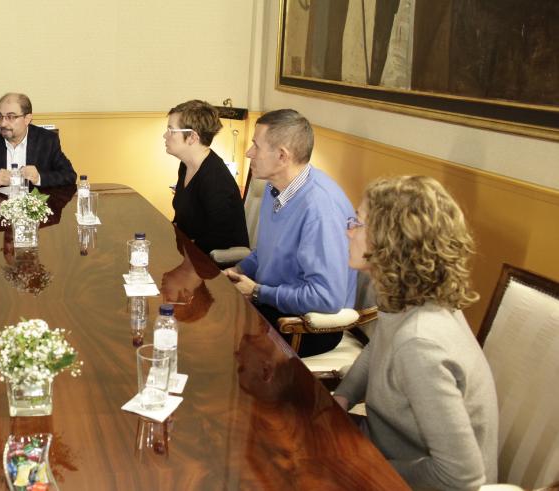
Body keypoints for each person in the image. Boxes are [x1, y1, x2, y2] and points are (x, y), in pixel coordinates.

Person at [333, 175, 498, 490]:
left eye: (359, 224)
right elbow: (378, 346)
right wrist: (343, 396)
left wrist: (365, 467)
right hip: (386, 448)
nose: (348, 231)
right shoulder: (409, 297)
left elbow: (461, 477)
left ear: (392, 242)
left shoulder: (421, 343)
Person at [224, 109, 355, 357]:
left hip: (305, 327)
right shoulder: (276, 189)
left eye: (256, 146)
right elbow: (266, 251)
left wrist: (256, 291)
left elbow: (326, 298)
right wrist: (238, 271)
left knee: (219, 341)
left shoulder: (319, 208)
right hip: (273, 304)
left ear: (282, 156)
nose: (248, 152)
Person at [166, 100, 248, 254]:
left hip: (213, 266)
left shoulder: (216, 179)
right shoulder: (185, 165)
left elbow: (220, 239)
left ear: (192, 137)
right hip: (188, 254)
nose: (165, 136)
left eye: (171, 131)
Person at [0, 93, 76, 189]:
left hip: (34, 210)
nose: (3, 123)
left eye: (11, 117)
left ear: (27, 118)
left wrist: (39, 177)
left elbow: (69, 175)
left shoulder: (47, 140)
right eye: (0, 116)